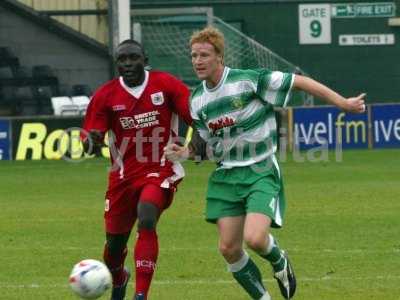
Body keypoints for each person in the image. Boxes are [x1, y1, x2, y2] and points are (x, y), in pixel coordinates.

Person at [164, 26, 366, 300]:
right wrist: (185, 153)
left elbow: (300, 82)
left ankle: (279, 260)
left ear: (219, 57)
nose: (197, 61)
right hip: (226, 177)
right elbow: (206, 147)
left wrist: (342, 103)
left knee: (256, 239)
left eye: (204, 55)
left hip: (260, 170)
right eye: (193, 56)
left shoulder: (248, 81)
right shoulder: (197, 100)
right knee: (228, 249)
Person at [81, 39, 192, 300]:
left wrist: (190, 145)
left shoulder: (166, 84)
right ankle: (119, 277)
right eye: (122, 59)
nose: (128, 64)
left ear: (145, 58)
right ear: (116, 63)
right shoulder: (105, 96)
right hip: (122, 178)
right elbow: (88, 142)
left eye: (133, 58)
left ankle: (141, 295)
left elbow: (194, 116)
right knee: (114, 246)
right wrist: (92, 142)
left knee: (147, 217)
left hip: (160, 169)